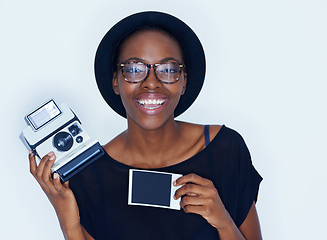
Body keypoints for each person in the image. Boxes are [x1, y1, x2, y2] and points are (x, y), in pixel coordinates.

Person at [28, 11, 263, 240]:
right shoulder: (91, 175)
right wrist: (69, 224)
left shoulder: (225, 149)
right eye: (134, 70)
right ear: (116, 82)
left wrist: (223, 221)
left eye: (168, 70)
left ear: (184, 82)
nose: (151, 83)